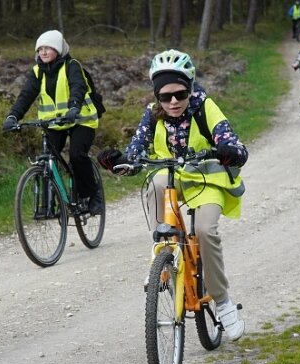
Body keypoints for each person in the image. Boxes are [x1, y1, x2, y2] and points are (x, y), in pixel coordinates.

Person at [96, 50, 248, 341]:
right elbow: (136, 150)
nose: (174, 102)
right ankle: (164, 253)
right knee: (155, 183)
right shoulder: (152, 114)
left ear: (190, 88)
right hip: (173, 178)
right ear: (157, 97)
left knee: (204, 231)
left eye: (180, 93)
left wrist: (231, 151)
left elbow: (230, 139)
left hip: (207, 179)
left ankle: (223, 301)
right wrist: (120, 161)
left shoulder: (205, 107)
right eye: (166, 97)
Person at [1, 30, 104, 214]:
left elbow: (78, 88)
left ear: (58, 49)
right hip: (54, 123)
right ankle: (49, 204)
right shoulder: (36, 72)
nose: (43, 52)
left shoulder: (72, 66)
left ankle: (91, 195)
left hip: (81, 119)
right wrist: (13, 116)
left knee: (76, 155)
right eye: (40, 48)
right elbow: (25, 97)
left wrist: (74, 107)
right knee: (48, 160)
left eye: (48, 48)